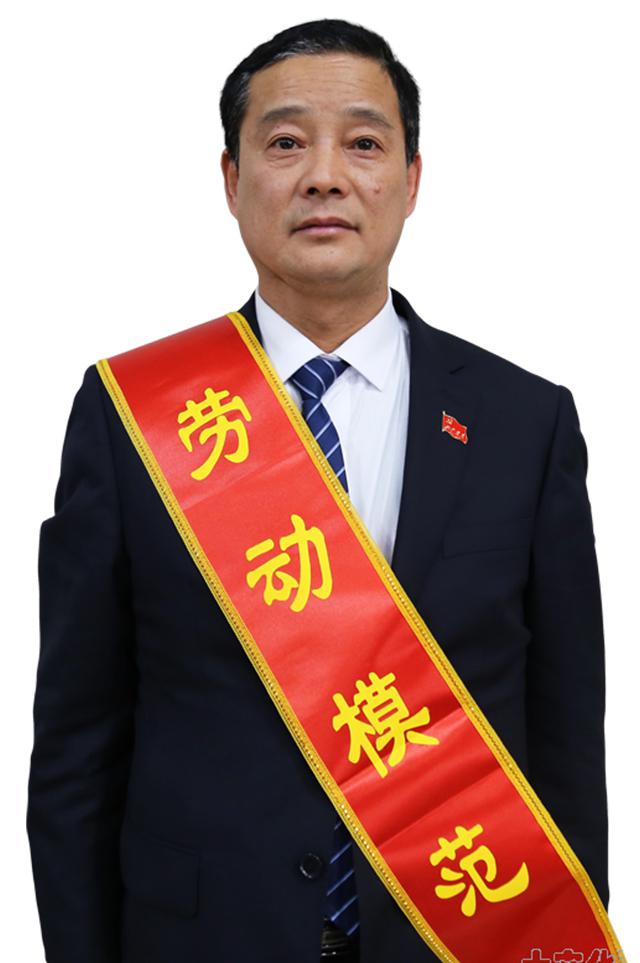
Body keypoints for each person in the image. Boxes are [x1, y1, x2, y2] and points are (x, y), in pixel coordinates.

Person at [27, 18, 610, 963]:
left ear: (412, 180)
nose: (326, 176)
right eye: (287, 142)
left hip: (453, 934)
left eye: (365, 144)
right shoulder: (133, 415)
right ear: (231, 179)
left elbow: (566, 747)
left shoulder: (524, 422)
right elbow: (76, 750)